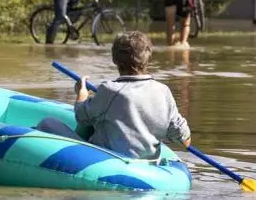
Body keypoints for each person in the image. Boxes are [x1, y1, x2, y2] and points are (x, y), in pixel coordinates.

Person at [37, 31, 191, 159]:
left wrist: (81, 94)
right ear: (148, 58)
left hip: (109, 160)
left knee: (47, 123)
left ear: (114, 59)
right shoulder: (163, 91)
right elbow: (184, 140)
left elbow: (81, 116)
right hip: (147, 163)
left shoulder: (109, 90)